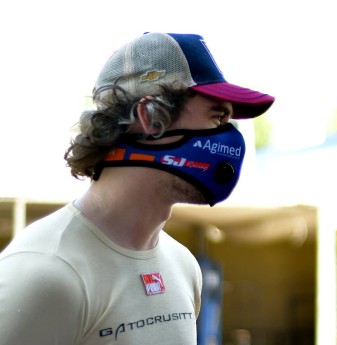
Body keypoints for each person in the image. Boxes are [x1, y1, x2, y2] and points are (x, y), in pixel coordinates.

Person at [0, 32, 274, 344]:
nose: (229, 137)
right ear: (149, 117)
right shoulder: (46, 273)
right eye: (218, 116)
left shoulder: (183, 267)